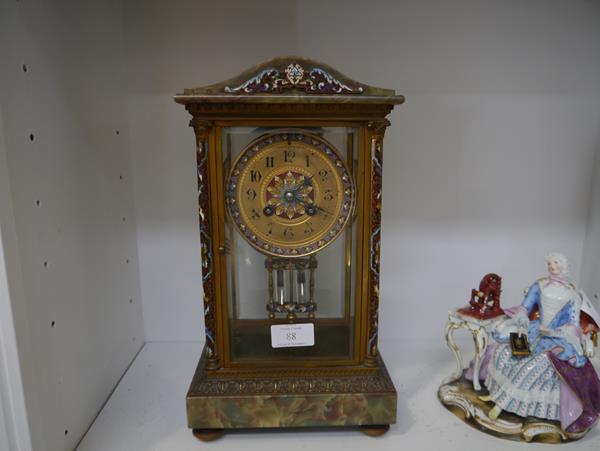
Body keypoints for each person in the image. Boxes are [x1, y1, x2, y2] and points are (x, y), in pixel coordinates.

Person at [476, 253, 600, 433]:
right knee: (504, 352)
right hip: (535, 330)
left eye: (556, 263)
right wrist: (521, 318)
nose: (552, 266)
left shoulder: (573, 294)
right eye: (550, 263)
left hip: (557, 337)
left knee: (534, 367)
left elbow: (573, 324)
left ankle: (503, 405)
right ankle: (496, 395)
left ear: (564, 267)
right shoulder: (540, 285)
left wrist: (555, 332)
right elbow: (524, 307)